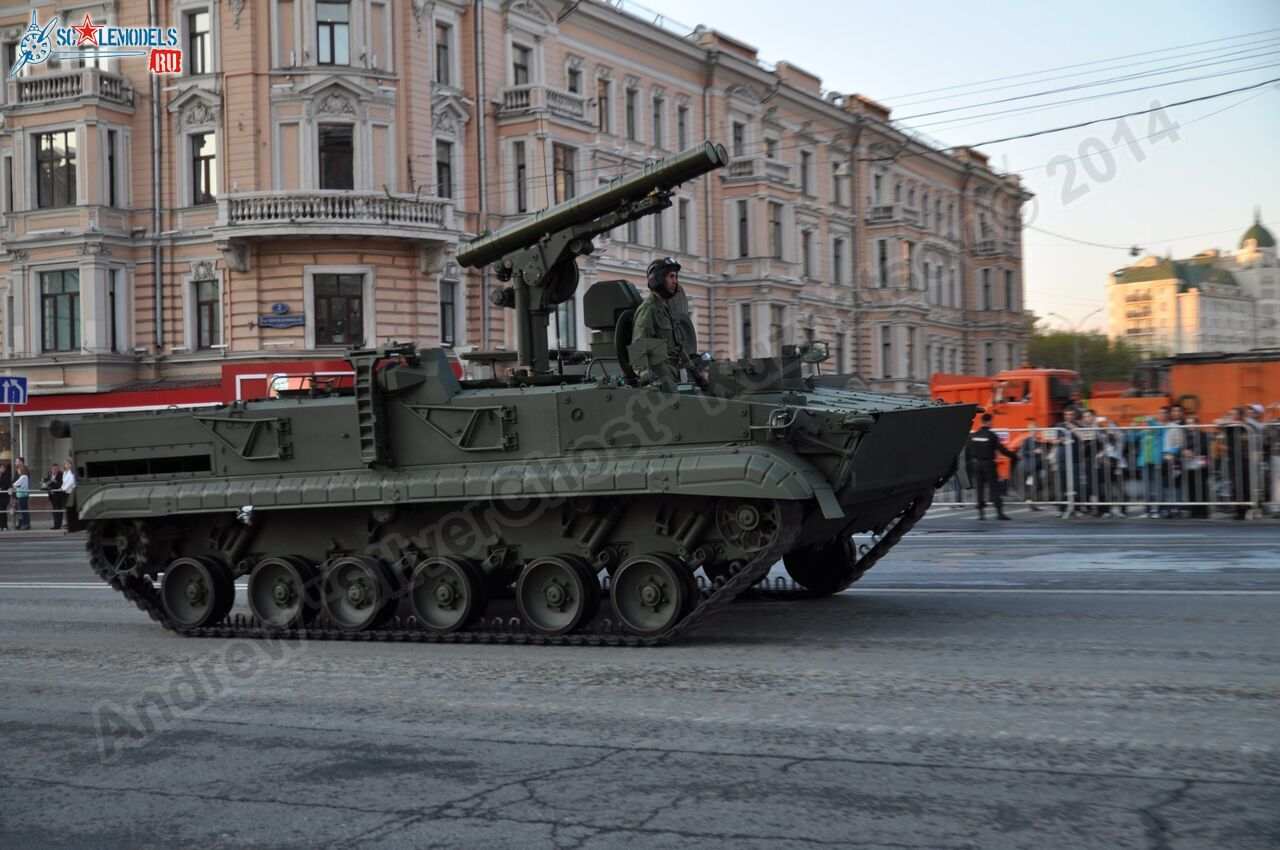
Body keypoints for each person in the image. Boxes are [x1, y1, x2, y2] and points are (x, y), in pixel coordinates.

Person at [630, 257, 700, 389]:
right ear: (658, 279)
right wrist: (648, 377)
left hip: (675, 377)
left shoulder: (668, 309)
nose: (675, 281)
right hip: (663, 381)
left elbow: (678, 348)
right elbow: (638, 350)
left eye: (676, 277)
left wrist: (697, 374)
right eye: (671, 276)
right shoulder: (648, 309)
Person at [966, 413, 1017, 520]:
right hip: (988, 464)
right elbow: (1002, 449)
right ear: (988, 422)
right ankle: (999, 513)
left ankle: (981, 514)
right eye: (991, 421)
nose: (992, 423)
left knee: (979, 489)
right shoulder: (991, 435)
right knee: (994, 487)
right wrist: (1014, 456)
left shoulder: (975, 435)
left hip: (977, 464)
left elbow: (968, 451)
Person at [42, 463, 64, 530]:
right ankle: (56, 525)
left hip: (58, 495)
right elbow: (48, 482)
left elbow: (60, 485)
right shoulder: (50, 473)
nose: (54, 470)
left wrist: (54, 481)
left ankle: (57, 526)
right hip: (52, 495)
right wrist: (44, 480)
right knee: (54, 511)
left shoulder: (61, 475)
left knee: (58, 510)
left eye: (56, 469)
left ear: (58, 469)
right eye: (53, 469)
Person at [59, 459, 76, 532]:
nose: (65, 465)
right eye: (65, 464)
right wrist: (61, 488)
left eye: (67, 464)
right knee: (66, 508)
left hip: (70, 492)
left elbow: (71, 482)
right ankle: (68, 522)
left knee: (70, 508)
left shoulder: (72, 472)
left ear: (70, 465)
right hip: (65, 492)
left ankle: (70, 523)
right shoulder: (65, 473)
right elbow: (64, 482)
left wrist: (64, 489)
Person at [12, 463, 30, 531]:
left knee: (23, 511)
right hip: (23, 495)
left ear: (21, 470)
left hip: (21, 495)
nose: (18, 471)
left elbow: (15, 484)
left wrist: (16, 486)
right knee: (24, 510)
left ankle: (25, 524)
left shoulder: (23, 477)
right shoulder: (25, 477)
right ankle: (26, 524)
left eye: (19, 470)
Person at [0, 463, 10, 531]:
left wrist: (1, 489)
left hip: (4, 497)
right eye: (1, 468)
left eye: (4, 468)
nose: (3, 469)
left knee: (3, 511)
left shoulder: (6, 476)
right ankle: (1, 526)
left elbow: (7, 484)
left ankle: (5, 526)